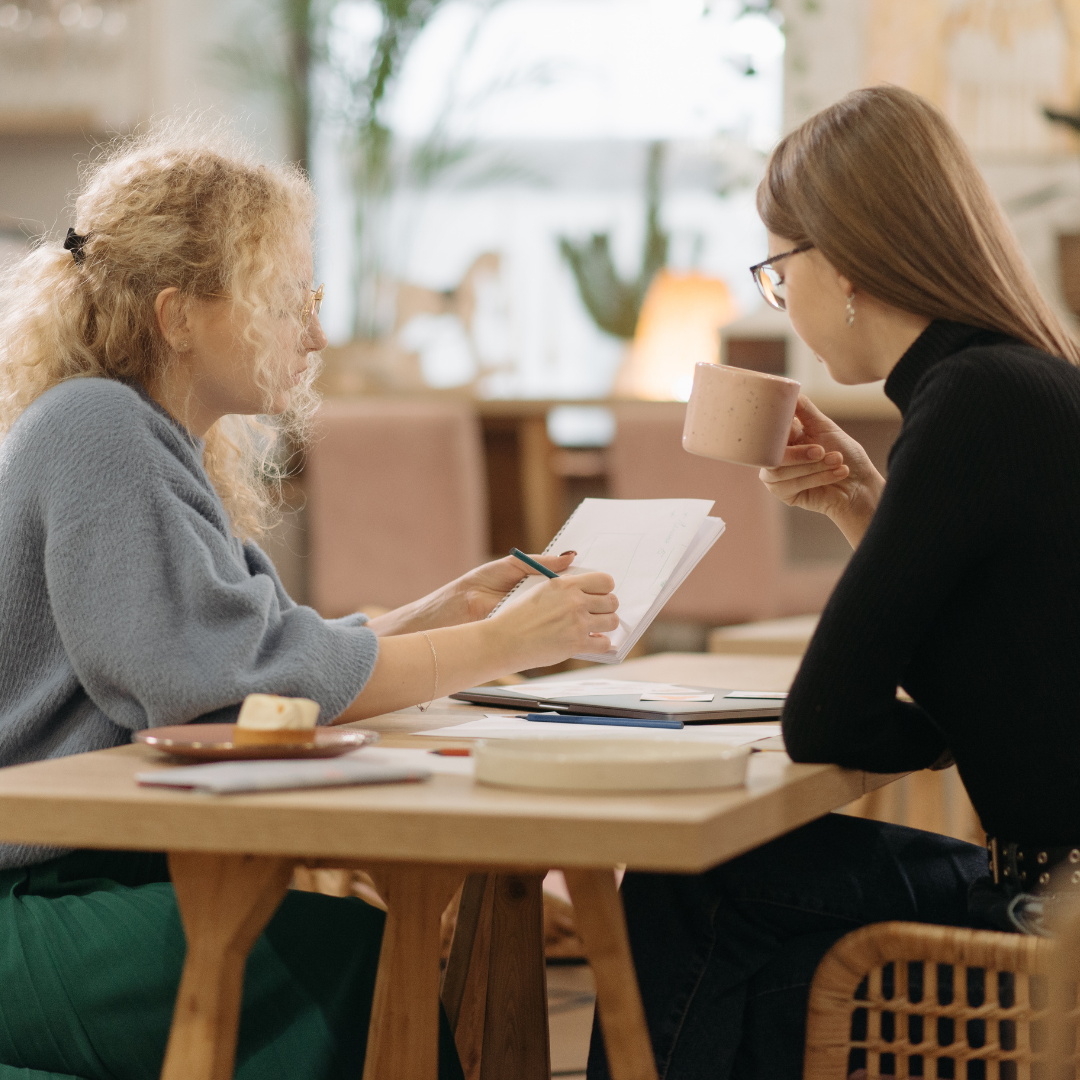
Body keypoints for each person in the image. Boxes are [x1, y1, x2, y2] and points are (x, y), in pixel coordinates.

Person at [0, 122, 619, 1080]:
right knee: (360, 969)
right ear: (178, 314)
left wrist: (434, 615)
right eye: (285, 301)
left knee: (363, 954)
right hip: (33, 904)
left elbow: (251, 651)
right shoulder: (98, 428)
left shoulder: (143, 434)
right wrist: (498, 646)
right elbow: (220, 691)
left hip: (88, 873)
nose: (315, 331)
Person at [586, 85, 1080, 1080]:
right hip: (1051, 888)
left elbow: (826, 716)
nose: (785, 300)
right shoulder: (1028, 379)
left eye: (777, 269)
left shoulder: (970, 401)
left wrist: (941, 738)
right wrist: (864, 501)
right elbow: (1009, 660)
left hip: (1049, 920)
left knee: (695, 888)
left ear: (843, 264)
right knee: (750, 914)